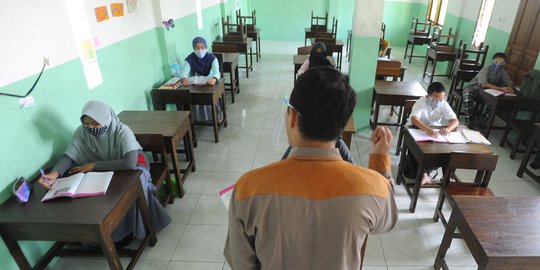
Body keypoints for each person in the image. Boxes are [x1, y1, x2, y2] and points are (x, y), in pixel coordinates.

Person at [224, 67, 398, 270]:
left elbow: (241, 264)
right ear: (342, 124)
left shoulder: (248, 188)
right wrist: (379, 160)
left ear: (292, 117)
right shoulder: (373, 187)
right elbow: (387, 220)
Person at [38, 100, 171, 246]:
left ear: (106, 119)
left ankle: (129, 232)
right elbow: (69, 156)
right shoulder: (81, 132)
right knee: (99, 196)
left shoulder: (122, 131)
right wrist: (55, 174)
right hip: (105, 168)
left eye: (96, 124)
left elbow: (129, 163)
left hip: (135, 166)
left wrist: (95, 165)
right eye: (87, 124)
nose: (91, 128)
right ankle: (108, 234)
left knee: (129, 190)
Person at [407, 82, 459, 184]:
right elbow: (415, 120)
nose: (438, 101)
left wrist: (448, 128)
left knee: (447, 150)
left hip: (433, 133)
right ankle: (424, 175)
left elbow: (455, 121)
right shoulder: (421, 102)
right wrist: (428, 130)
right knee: (415, 148)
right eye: (435, 99)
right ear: (428, 96)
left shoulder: (443, 104)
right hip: (416, 129)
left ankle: (446, 176)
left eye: (441, 99)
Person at [463, 52, 514, 129]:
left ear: (504, 64)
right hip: (474, 89)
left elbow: (509, 82)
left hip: (487, 93)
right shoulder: (486, 68)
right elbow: (484, 84)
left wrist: (509, 87)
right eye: (496, 62)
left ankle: (480, 122)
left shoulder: (502, 71)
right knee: (467, 95)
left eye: (501, 63)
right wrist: (501, 89)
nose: (498, 65)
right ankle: (469, 122)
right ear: (491, 62)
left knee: (495, 102)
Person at [180, 37, 223, 122]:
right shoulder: (190, 58)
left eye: (202, 47)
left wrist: (214, 78)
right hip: (198, 81)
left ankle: (216, 115)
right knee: (194, 95)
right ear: (194, 48)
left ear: (206, 47)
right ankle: (198, 118)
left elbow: (216, 72)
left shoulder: (212, 58)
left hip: (210, 80)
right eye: (197, 48)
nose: (200, 50)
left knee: (211, 94)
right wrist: (184, 78)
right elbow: (184, 72)